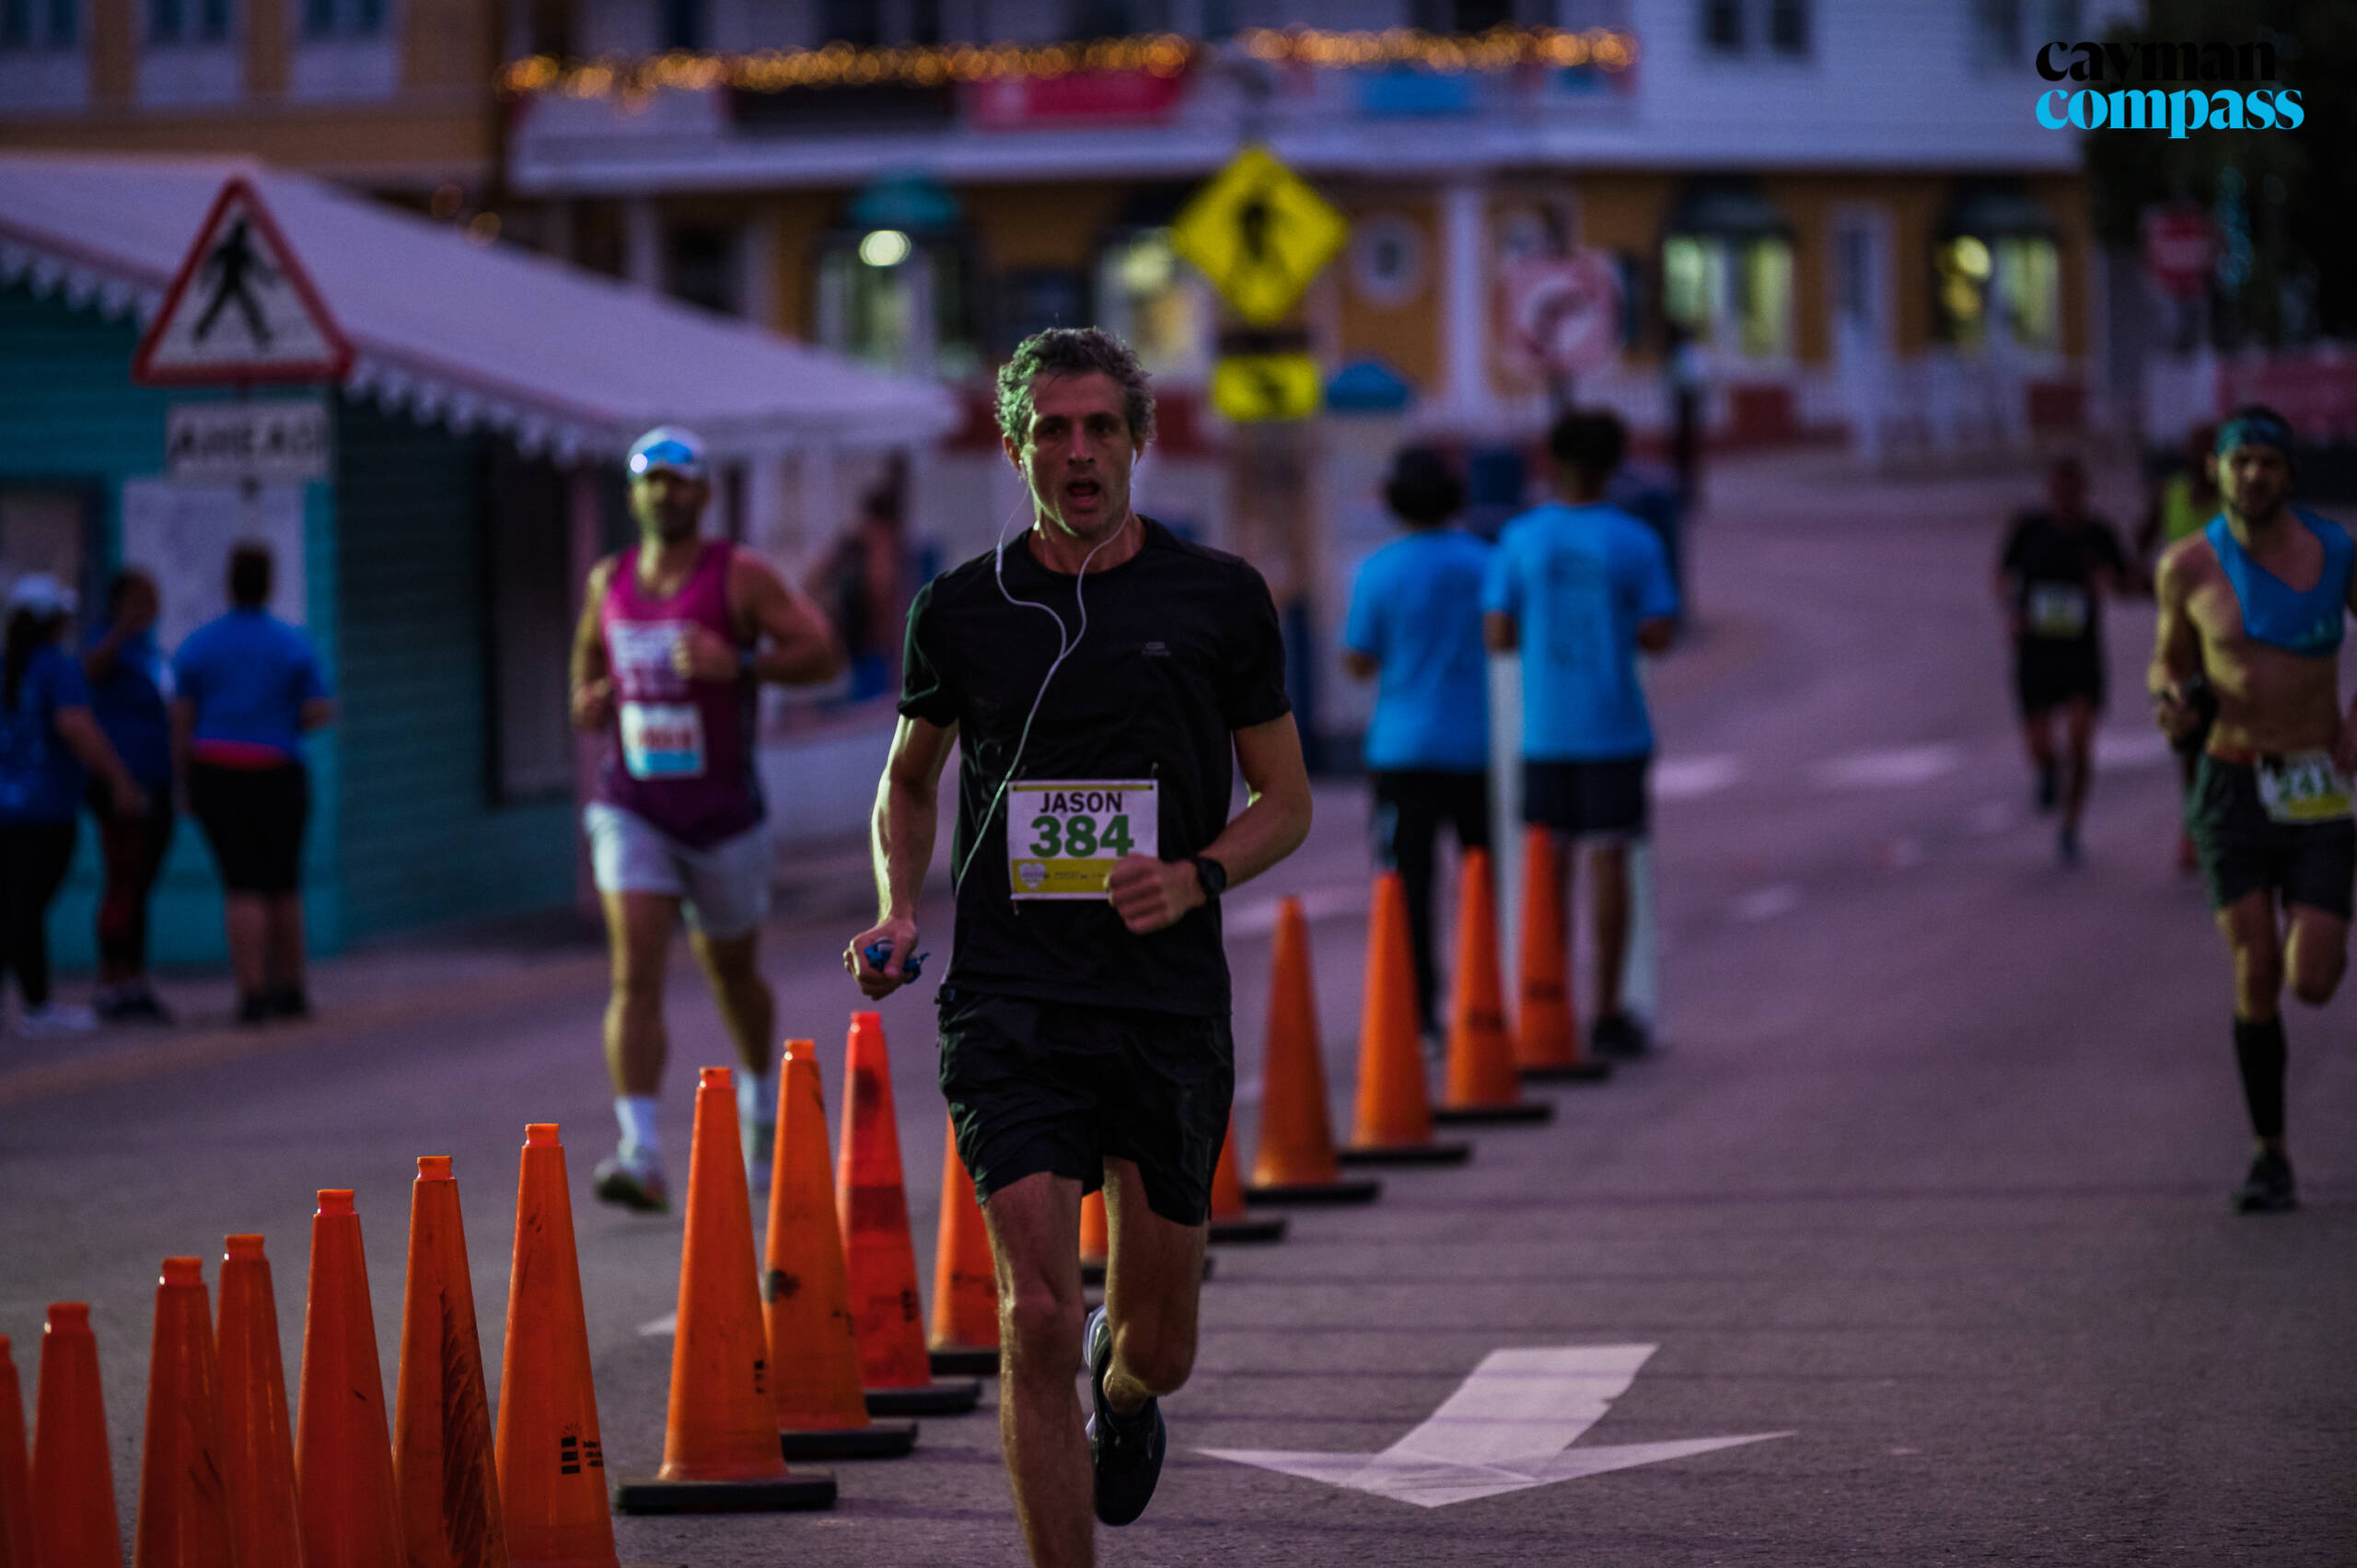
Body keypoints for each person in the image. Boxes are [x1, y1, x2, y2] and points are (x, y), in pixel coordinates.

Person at [845, 328, 1311, 1568]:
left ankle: (1133, 1388)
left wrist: (1198, 870)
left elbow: (1288, 800)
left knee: (1159, 1340)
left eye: (1102, 425)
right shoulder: (961, 611)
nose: (1080, 449)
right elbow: (907, 782)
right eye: (1052, 427)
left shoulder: (1217, 598)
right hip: (1012, 1002)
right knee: (1033, 1315)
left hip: (1163, 1004)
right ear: (1013, 446)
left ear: (1138, 440)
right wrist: (899, 904)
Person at [570, 424, 844, 1213]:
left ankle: (762, 1102)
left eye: (680, 480)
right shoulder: (609, 581)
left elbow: (821, 653)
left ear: (704, 492)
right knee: (636, 969)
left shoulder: (741, 576)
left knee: (731, 970)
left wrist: (743, 664)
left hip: (724, 813)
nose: (665, 494)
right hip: (633, 805)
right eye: (650, 481)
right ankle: (641, 1149)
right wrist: (591, 700)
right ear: (634, 495)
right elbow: (585, 674)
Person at [2151, 405, 2357, 1215]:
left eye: (2269, 462)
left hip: (2314, 784)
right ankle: (2270, 1153)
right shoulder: (2188, 566)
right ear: (2217, 472)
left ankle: (2323, 949)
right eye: (2241, 462)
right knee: (2257, 968)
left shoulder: (2335, 552)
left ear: (2290, 475)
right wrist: (2169, 701)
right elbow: (2167, 661)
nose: (2254, 476)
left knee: (2312, 978)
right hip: (2231, 783)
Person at [1483, 408, 1678, 1060]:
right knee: (1610, 859)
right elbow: (1659, 631)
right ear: (1611, 466)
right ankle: (1608, 1010)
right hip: (1615, 725)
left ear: (1551, 459)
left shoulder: (1519, 537)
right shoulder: (1635, 539)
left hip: (1545, 728)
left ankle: (1550, 999)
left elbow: (1498, 633)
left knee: (1551, 865)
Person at [1341, 446, 1491, 1042]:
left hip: (1401, 749)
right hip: (1480, 748)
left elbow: (1357, 660)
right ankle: (1489, 1001)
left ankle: (1421, 1013)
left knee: (1408, 888)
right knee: (1487, 884)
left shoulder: (1378, 570)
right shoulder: (1487, 561)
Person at [173, 541, 333, 1026]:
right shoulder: (290, 642)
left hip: (218, 768)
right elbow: (320, 708)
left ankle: (251, 993)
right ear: (269, 585)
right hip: (278, 769)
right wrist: (278, 723)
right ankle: (292, 987)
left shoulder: (201, 644)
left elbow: (181, 718)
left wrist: (185, 781)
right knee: (282, 882)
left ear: (229, 584)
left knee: (241, 882)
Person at [2, 574, 145, 1037]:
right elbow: (75, 726)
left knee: (15, 906)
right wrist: (118, 777)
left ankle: (34, 1003)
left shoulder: (11, 668)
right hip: (45, 812)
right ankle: (37, 1007)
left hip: (11, 807)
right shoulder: (56, 670)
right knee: (25, 908)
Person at [1997, 456, 2132, 865]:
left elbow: (2124, 580)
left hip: (2080, 654)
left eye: (2074, 491)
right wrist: (2011, 613)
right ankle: (2046, 772)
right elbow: (2002, 575)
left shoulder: (2098, 534)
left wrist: (2108, 583)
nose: (2066, 499)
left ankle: (2071, 825)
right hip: (2036, 652)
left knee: (2080, 738)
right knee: (2040, 743)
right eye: (2059, 490)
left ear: (2084, 493)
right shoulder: (2029, 529)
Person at [82, 568, 179, 1022]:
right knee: (124, 877)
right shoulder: (109, 643)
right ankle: (112, 981)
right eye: (141, 599)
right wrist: (120, 630)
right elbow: (91, 670)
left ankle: (133, 979)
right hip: (124, 784)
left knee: (140, 881)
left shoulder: (148, 651)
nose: (150, 607)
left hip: (156, 781)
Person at [2140, 423, 2222, 874]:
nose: (2202, 458)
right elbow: (2142, 542)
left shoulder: (2237, 505)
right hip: (2182, 641)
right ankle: (2194, 827)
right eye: (2197, 448)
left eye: (2210, 450)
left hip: (2229, 639)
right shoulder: (2168, 496)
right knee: (2189, 737)